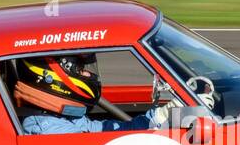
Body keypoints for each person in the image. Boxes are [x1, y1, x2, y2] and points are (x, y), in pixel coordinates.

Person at [14, 54, 173, 134]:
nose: (89, 75)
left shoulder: (58, 117)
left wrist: (157, 118)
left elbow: (104, 130)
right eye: (80, 69)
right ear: (50, 76)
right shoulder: (50, 129)